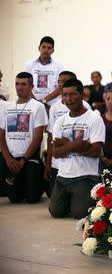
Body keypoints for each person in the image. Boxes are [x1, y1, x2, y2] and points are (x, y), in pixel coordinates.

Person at [49, 78, 105, 219]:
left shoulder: (94, 119)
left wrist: (65, 145)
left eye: (73, 94)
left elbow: (95, 151)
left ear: (82, 95)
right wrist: (75, 144)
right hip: (63, 177)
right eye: (65, 95)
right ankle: (73, 200)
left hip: (86, 176)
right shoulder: (60, 121)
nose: (69, 99)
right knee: (55, 212)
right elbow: (55, 153)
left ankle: (79, 201)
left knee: (79, 214)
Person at [0, 72, 48, 203]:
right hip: (11, 159)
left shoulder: (38, 106)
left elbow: (38, 137)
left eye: (23, 84)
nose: (19, 87)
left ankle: (38, 182)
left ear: (31, 86)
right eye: (17, 84)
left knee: (32, 199)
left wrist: (23, 160)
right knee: (15, 199)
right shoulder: (7, 107)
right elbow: (1, 135)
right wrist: (8, 159)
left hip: (30, 159)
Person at [45, 71, 92, 196]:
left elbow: (87, 141)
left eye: (64, 81)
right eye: (59, 81)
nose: (60, 84)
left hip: (80, 163)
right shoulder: (54, 108)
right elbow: (51, 136)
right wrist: (48, 162)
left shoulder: (85, 106)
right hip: (58, 162)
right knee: (51, 196)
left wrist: (68, 144)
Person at [25, 36, 64, 107]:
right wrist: (35, 102)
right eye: (44, 47)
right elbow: (26, 85)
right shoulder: (30, 65)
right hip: (32, 104)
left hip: (52, 105)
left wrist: (44, 100)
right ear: (39, 48)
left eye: (49, 48)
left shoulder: (59, 66)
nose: (46, 50)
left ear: (53, 50)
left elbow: (61, 87)